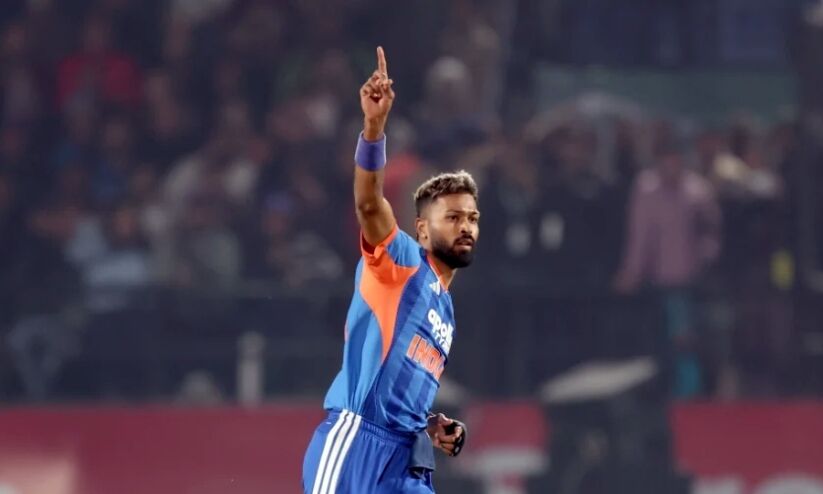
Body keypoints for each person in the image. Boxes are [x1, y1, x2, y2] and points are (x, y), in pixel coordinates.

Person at [302, 47, 480, 494]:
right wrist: (374, 128)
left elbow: (403, 394)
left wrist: (433, 426)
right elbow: (368, 203)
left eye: (472, 218)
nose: (465, 226)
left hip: (407, 461)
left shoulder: (447, 311)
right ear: (422, 229)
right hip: (357, 442)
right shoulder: (400, 258)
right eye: (452, 217)